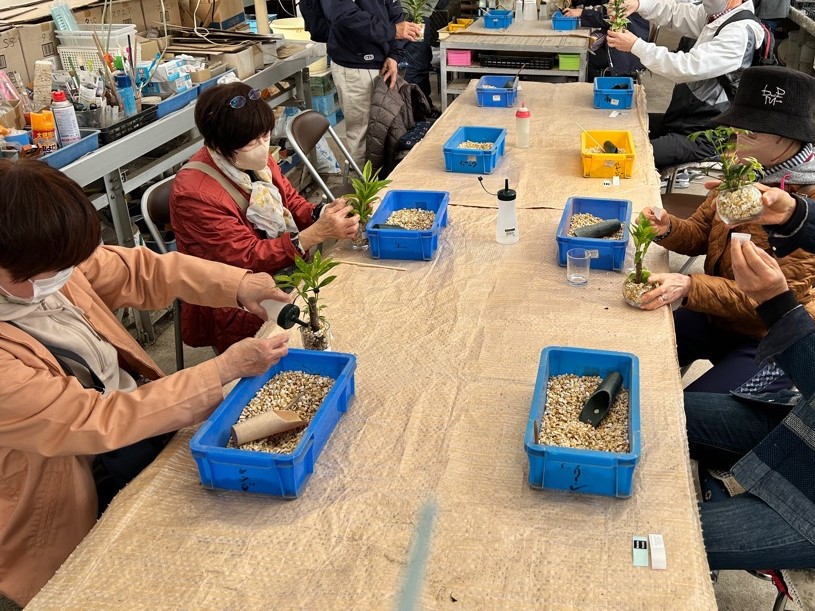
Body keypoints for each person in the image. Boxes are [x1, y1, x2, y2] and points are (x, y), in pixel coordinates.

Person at [0, 159, 292, 608]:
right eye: (47, 272)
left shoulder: (50, 262)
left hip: (131, 425)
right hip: (64, 494)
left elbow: (144, 271)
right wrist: (220, 371)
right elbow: (91, 421)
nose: (65, 276)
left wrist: (238, 285)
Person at [637, 65, 815, 394]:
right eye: (736, 129)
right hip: (716, 314)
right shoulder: (742, 168)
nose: (735, 143)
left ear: (786, 138)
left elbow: (772, 298)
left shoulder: (806, 207)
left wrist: (690, 285)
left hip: (769, 336)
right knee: (637, 347)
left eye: (750, 133)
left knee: (691, 418)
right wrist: (669, 227)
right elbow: (701, 233)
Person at [170, 83, 359, 354]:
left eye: (266, 136)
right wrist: (315, 233)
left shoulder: (252, 160)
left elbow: (290, 201)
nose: (262, 147)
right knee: (317, 329)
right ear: (220, 145)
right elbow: (246, 257)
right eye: (252, 143)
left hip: (281, 269)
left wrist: (321, 213)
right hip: (236, 298)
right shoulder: (195, 193)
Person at [683, 207, 815, 570]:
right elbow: (694, 231)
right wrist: (794, 215)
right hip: (796, 425)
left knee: (663, 541)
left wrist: (778, 305)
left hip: (806, 503)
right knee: (662, 412)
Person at [607, 0, 764, 168]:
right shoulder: (717, 17)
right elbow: (674, 13)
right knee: (621, 125)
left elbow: (686, 67)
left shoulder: (739, 33)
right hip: (682, 117)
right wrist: (638, 5)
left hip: (704, 134)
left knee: (628, 157)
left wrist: (636, 46)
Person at [322, 0, 422, 168]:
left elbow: (395, 11)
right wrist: (392, 31)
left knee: (386, 132)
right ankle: (366, 190)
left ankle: (383, 186)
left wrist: (394, 54)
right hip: (355, 66)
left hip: (384, 63)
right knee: (363, 137)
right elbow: (344, 16)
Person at [563, 1, 649, 80]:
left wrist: (581, 12)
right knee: (586, 55)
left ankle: (603, 88)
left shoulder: (627, 3)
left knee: (585, 59)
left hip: (626, 52)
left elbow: (610, 17)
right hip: (623, 45)